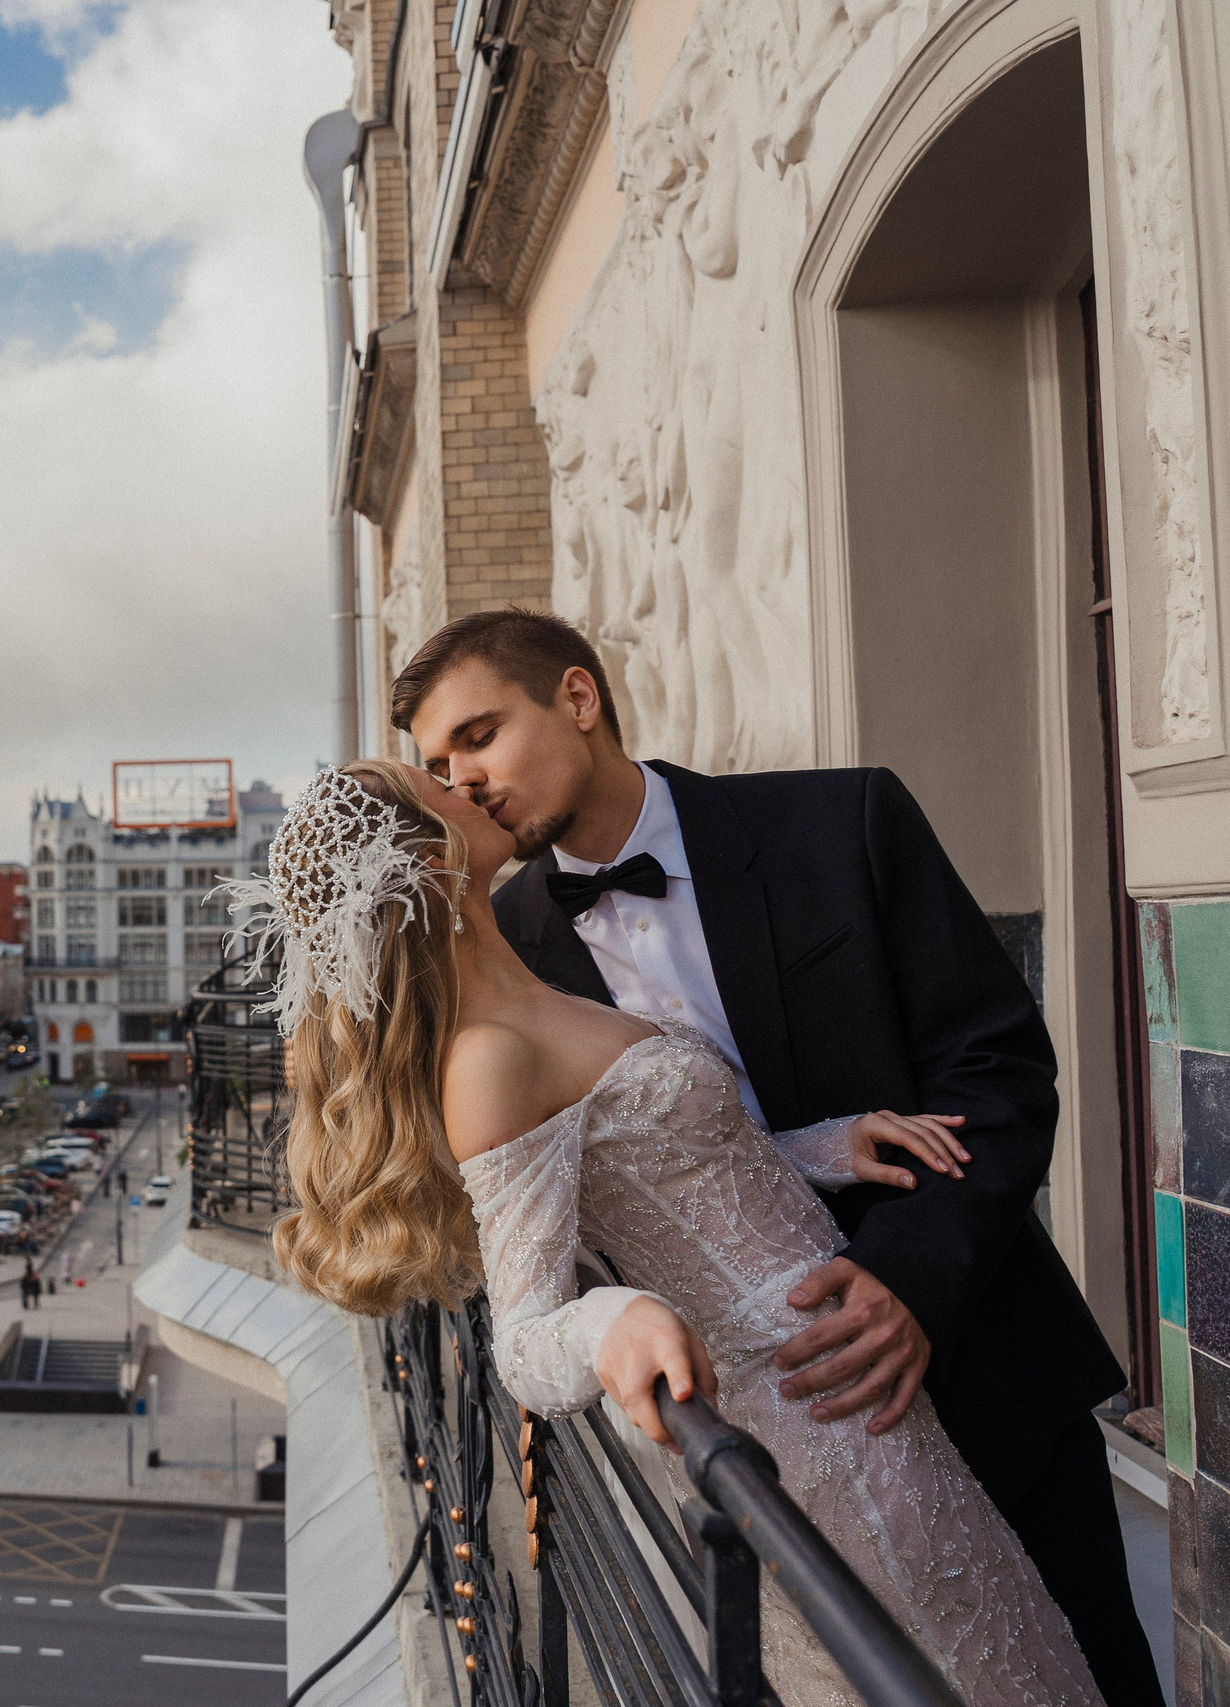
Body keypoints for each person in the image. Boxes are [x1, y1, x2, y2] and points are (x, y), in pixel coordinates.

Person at [232, 757, 1110, 1707]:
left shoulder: (533, 993)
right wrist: (616, 1320)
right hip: (794, 1416)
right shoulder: (489, 1058)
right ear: (421, 857)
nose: (466, 782)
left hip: (856, 1388)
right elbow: (525, 1340)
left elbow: (675, 1163)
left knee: (1005, 1659)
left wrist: (830, 1146)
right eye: (434, 782)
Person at [395, 610, 1157, 1704]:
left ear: (575, 697)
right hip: (770, 1458)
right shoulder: (502, 945)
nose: (462, 780)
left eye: (478, 734)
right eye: (435, 764)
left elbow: (995, 1071)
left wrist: (910, 1277)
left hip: (982, 1357)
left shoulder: (837, 818)